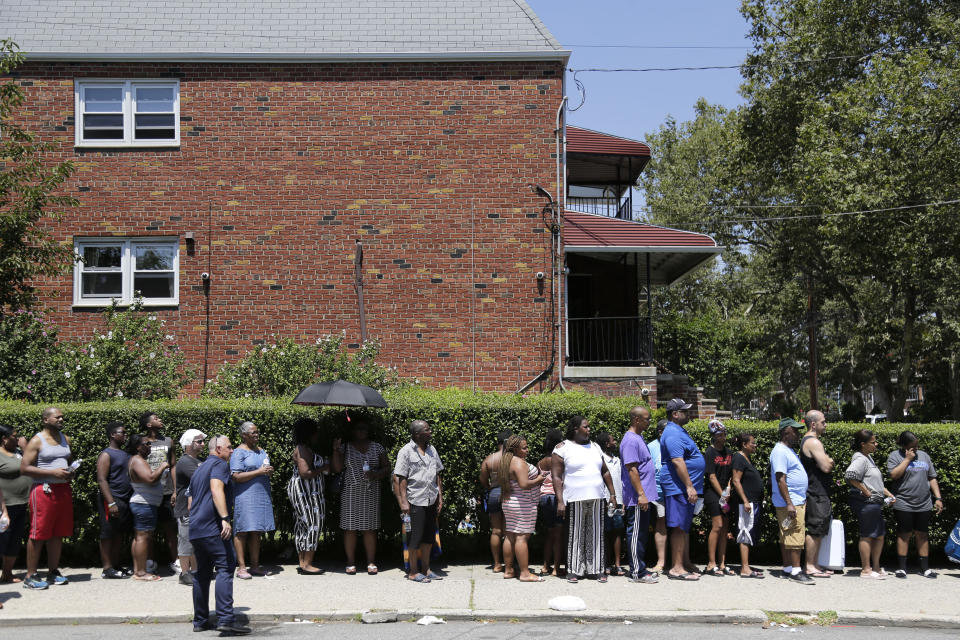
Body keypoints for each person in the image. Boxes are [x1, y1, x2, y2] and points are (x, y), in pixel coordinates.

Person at [189, 435, 250, 635]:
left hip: (197, 528)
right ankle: (225, 618)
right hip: (213, 527)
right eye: (229, 447)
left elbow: (190, 499)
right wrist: (225, 517)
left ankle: (200, 621)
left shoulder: (199, 469)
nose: (232, 451)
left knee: (202, 574)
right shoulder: (219, 465)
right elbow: (216, 489)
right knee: (226, 566)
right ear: (218, 449)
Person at [551, 415, 619, 583]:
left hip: (597, 497)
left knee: (596, 534)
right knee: (575, 535)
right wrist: (560, 501)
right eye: (586, 427)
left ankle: (596, 569)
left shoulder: (595, 447)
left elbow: (605, 471)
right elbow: (556, 477)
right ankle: (574, 570)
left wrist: (612, 494)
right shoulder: (562, 448)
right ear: (576, 429)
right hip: (574, 499)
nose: (589, 430)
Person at [20, 407, 75, 589]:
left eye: (62, 417)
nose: (61, 419)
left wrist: (69, 473)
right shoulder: (36, 440)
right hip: (43, 490)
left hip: (63, 489)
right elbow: (24, 468)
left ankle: (53, 572)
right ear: (45, 420)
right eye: (57, 417)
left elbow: (66, 462)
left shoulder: (65, 439)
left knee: (58, 533)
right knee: (38, 534)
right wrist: (52, 472)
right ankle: (31, 576)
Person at [332, 419, 389, 575]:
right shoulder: (346, 448)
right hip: (350, 492)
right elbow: (337, 468)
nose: (361, 431)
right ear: (353, 431)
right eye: (358, 428)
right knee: (350, 528)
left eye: (364, 428)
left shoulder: (377, 447)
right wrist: (336, 450)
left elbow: (387, 468)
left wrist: (375, 474)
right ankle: (350, 562)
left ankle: (371, 562)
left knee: (369, 529)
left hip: (371, 491)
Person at [887, 430, 943, 579]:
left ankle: (924, 568)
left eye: (917, 446)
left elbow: (932, 477)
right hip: (903, 502)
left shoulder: (924, 456)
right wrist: (907, 460)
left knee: (922, 534)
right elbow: (893, 475)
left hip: (924, 503)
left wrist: (938, 498)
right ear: (904, 446)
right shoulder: (894, 456)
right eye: (913, 446)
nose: (916, 449)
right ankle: (902, 568)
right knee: (904, 534)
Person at [660, 398, 704, 581]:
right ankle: (676, 568)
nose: (688, 414)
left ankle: (683, 563)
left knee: (683, 527)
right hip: (678, 487)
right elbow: (677, 461)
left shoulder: (679, 431)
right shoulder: (672, 433)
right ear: (675, 414)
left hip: (683, 488)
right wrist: (689, 486)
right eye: (684, 411)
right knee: (678, 527)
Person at [394, 419, 444, 583]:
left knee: (429, 537)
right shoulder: (406, 451)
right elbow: (400, 479)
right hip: (414, 501)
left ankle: (426, 569)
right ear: (417, 434)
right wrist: (403, 502)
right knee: (414, 537)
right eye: (427, 430)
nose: (430, 432)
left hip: (430, 500)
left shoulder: (432, 450)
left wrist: (440, 497)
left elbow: (437, 474)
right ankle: (414, 571)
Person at [845, 430, 895, 579]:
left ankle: (876, 567)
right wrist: (864, 490)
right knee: (867, 535)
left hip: (875, 504)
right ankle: (866, 569)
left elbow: (876, 483)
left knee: (879, 536)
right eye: (873, 442)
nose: (876, 444)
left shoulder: (869, 458)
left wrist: (889, 495)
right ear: (863, 444)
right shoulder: (860, 459)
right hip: (867, 504)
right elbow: (850, 475)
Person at [770, 418, 813, 584]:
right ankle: (796, 571)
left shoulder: (787, 450)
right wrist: (789, 503)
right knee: (795, 534)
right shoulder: (780, 451)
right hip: (790, 502)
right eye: (795, 431)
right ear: (786, 432)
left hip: (794, 500)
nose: (798, 434)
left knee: (787, 534)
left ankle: (788, 568)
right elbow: (780, 478)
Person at [619, 406, 659, 584]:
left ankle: (641, 568)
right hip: (637, 497)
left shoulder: (638, 438)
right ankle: (637, 572)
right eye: (647, 419)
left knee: (641, 533)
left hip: (644, 496)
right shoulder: (630, 440)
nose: (649, 422)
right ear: (636, 419)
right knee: (635, 533)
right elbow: (632, 469)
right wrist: (641, 494)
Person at [230, 421, 275, 580]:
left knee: (257, 531)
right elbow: (235, 476)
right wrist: (259, 472)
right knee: (242, 531)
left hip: (261, 495)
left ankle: (255, 566)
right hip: (245, 496)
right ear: (244, 435)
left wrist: (268, 471)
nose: (257, 435)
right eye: (253, 433)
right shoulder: (238, 453)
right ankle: (241, 567)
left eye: (257, 432)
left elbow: (264, 468)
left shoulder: (261, 451)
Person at [499, 434, 547, 582]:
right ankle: (525, 573)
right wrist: (539, 479)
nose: (527, 450)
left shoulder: (507, 461)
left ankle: (508, 570)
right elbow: (524, 484)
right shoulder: (518, 463)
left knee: (510, 536)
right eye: (524, 448)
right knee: (521, 538)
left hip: (510, 502)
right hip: (522, 504)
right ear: (515, 449)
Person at [287, 417, 331, 575]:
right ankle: (307, 564)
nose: (317, 434)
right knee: (313, 523)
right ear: (309, 433)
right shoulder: (302, 450)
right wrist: (323, 468)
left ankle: (302, 562)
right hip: (304, 491)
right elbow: (305, 473)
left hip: (308, 492)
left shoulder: (303, 448)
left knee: (303, 525)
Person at [141, 411, 178, 573]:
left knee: (170, 528)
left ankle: (176, 560)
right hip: (148, 493)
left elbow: (173, 465)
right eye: (156, 419)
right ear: (148, 424)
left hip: (166, 491)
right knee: (148, 530)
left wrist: (176, 490)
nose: (160, 420)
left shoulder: (169, 441)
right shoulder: (141, 442)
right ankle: (149, 561)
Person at [799, 410, 835, 578]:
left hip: (819, 492)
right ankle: (810, 566)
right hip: (816, 492)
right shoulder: (813, 442)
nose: (825, 425)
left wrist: (826, 459)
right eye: (823, 422)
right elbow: (826, 466)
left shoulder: (813, 441)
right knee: (815, 529)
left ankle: (814, 564)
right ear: (813, 424)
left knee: (819, 529)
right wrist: (829, 460)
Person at [128, 433, 168, 581]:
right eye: (147, 444)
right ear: (138, 447)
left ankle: (138, 569)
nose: (150, 446)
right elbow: (150, 479)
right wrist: (163, 466)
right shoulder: (138, 460)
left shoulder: (139, 460)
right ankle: (141, 573)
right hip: (143, 504)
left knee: (140, 537)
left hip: (145, 504)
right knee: (143, 537)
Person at [95, 421, 133, 579]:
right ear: (112, 435)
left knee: (119, 533)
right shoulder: (106, 454)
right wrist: (111, 503)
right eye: (122, 432)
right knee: (108, 533)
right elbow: (102, 480)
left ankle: (116, 565)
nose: (125, 435)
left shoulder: (125, 454)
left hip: (125, 499)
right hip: (112, 499)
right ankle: (107, 568)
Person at [0, 424, 32, 585]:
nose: (18, 438)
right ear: (4, 439)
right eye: (14, 436)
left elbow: (32, 467)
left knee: (14, 540)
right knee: (3, 540)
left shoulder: (18, 453)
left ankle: (7, 573)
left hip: (21, 504)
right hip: (4, 506)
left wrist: (25, 448)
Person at [703, 419, 735, 576]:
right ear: (714, 436)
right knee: (717, 525)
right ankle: (711, 563)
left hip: (726, 495)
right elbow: (711, 477)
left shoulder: (729, 452)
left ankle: (722, 563)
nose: (724, 436)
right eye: (721, 434)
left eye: (724, 433)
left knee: (724, 528)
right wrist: (722, 494)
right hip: (713, 494)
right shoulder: (709, 452)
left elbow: (730, 475)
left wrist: (728, 490)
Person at [730, 432, 764, 578]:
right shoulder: (738, 458)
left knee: (749, 532)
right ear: (744, 445)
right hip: (746, 503)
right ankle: (745, 568)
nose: (755, 445)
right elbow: (736, 480)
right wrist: (744, 500)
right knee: (745, 532)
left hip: (752, 502)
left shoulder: (746, 458)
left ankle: (747, 566)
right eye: (752, 443)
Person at [175, 428, 206, 586]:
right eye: (199, 441)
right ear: (189, 444)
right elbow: (201, 478)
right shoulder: (185, 461)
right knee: (185, 541)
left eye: (202, 441)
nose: (202, 444)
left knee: (195, 542)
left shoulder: (200, 460)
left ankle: (195, 571)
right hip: (185, 509)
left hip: (198, 508)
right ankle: (184, 572)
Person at [478, 428, 512, 573]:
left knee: (496, 531)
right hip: (509, 494)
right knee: (509, 531)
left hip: (494, 492)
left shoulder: (489, 459)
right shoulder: (512, 458)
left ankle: (497, 564)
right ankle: (509, 564)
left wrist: (490, 488)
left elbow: (482, 479)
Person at [596, 431, 625, 576]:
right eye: (613, 440)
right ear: (606, 443)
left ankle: (617, 564)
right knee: (605, 533)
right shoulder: (600, 460)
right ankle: (606, 563)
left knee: (618, 533)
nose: (615, 443)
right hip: (605, 501)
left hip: (618, 502)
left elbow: (622, 482)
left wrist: (623, 500)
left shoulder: (617, 460)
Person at [536, 428, 564, 577]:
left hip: (543, 498)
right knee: (558, 535)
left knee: (549, 533)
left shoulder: (540, 462)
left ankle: (546, 566)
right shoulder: (557, 459)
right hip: (555, 497)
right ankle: (556, 568)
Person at [647, 419, 668, 573]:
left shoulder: (675, 445)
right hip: (658, 493)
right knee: (660, 525)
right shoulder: (651, 447)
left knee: (678, 527)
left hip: (674, 492)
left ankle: (678, 561)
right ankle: (661, 561)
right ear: (660, 432)